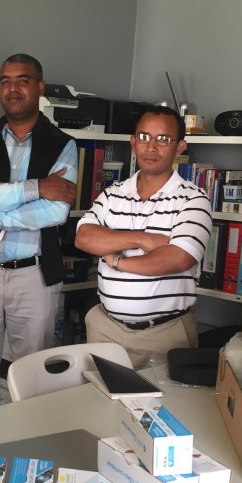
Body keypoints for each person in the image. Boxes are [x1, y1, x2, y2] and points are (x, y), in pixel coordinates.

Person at [0, 54, 78, 414]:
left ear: (39, 87)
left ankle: (26, 460)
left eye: (22, 80)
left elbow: (55, 212)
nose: (12, 88)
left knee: (32, 380)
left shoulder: (62, 145)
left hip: (35, 276)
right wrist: (37, 187)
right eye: (5, 80)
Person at [75, 105, 212, 369]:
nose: (151, 147)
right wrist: (141, 239)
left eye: (163, 140)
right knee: (98, 406)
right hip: (105, 329)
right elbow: (84, 237)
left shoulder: (193, 199)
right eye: (144, 137)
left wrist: (116, 261)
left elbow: (178, 258)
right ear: (132, 143)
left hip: (162, 335)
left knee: (159, 410)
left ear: (179, 147)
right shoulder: (113, 193)